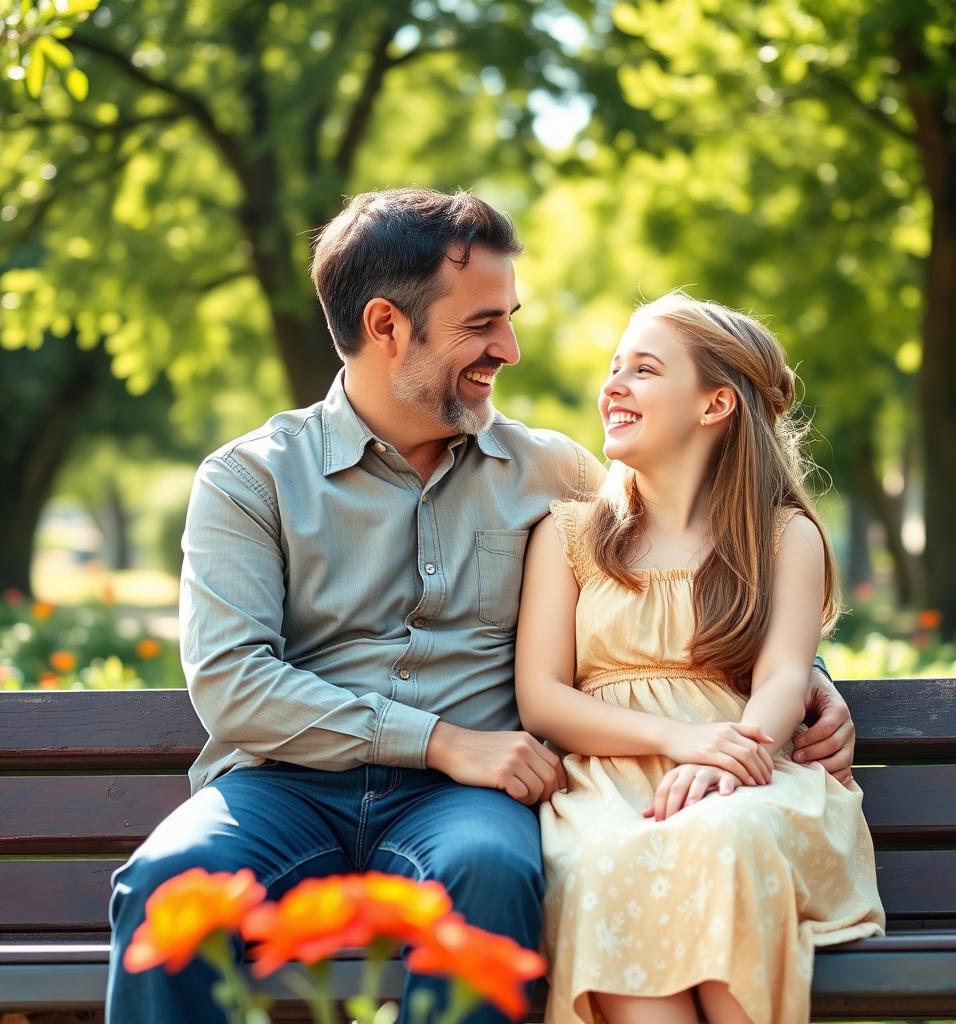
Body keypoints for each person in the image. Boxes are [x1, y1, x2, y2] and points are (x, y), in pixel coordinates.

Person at [106, 190, 858, 1024]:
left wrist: (809, 678)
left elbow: (687, 560)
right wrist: (444, 742)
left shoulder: (555, 474)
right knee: (165, 889)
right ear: (388, 326)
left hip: (461, 807)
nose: (511, 348)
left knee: (494, 872)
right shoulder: (251, 481)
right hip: (283, 789)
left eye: (510, 318)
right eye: (481, 325)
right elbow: (234, 683)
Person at [515, 292, 885, 1024]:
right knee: (607, 863)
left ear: (716, 404)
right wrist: (678, 741)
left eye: (644, 369)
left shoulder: (782, 538)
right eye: (614, 367)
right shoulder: (569, 536)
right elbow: (543, 697)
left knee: (723, 835)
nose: (613, 385)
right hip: (609, 792)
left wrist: (725, 755)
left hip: (746, 778)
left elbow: (783, 674)